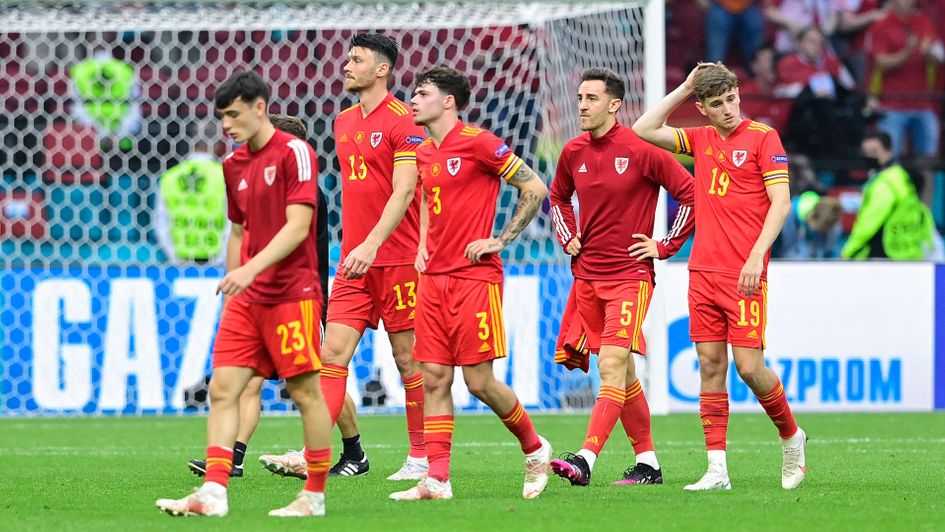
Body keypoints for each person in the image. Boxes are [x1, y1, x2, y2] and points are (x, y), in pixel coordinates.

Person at [155, 71, 332, 517]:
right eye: (222, 117)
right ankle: (213, 492)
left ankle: (313, 495)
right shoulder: (233, 164)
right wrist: (236, 282)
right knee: (223, 388)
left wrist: (250, 270)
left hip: (292, 293)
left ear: (259, 108)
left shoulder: (296, 153)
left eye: (234, 115)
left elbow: (298, 226)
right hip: (248, 299)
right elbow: (237, 231)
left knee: (305, 393)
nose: (227, 125)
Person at [260, 33, 429, 481]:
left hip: (397, 259)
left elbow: (404, 190)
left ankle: (420, 457)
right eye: (348, 58)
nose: (347, 65)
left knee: (408, 360)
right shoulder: (342, 121)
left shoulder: (404, 120)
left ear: (382, 70)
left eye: (357, 59)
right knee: (330, 355)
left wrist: (372, 244)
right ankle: (311, 453)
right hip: (355, 263)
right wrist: (359, 247)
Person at [632, 62, 808, 491]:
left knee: (749, 368)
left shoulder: (763, 138)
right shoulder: (700, 139)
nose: (728, 109)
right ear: (703, 108)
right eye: (716, 103)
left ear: (738, 95)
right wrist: (685, 87)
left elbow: (781, 203)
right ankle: (717, 470)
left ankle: (791, 436)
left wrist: (756, 256)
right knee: (710, 366)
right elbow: (643, 128)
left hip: (744, 273)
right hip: (703, 273)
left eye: (731, 99)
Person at [389, 66, 552, 501]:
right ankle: (437, 479)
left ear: (448, 101)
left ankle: (534, 448)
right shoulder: (424, 152)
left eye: (422, 93)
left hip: (474, 279)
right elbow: (428, 199)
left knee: (478, 382)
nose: (413, 100)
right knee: (434, 378)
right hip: (433, 280)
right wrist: (423, 244)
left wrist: (501, 239)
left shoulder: (480, 143)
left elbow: (535, 188)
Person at [547, 68, 695, 487]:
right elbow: (558, 197)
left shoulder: (641, 149)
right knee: (623, 372)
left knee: (611, 364)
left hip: (630, 277)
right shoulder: (573, 151)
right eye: (580, 97)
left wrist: (664, 245)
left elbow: (690, 193)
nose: (581, 105)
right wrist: (567, 235)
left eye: (591, 98)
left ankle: (585, 460)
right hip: (587, 278)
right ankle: (648, 464)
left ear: (614, 104)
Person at [184, 114, 334, 480]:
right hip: (261, 297)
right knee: (248, 383)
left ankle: (352, 448)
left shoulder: (305, 192)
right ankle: (232, 459)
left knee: (311, 387)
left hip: (299, 299)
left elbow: (292, 241)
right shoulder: (261, 185)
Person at [865, 0, 944, 157]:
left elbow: (939, 59)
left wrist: (930, 53)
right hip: (892, 103)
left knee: (929, 156)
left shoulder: (923, 22)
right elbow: (880, 62)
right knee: (890, 155)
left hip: (922, 101)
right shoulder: (882, 25)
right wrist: (907, 51)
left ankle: (926, 175)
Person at [841, 131, 939, 259]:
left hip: (887, 255)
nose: (870, 156)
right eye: (865, 152)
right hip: (909, 253)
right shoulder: (903, 176)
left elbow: (869, 222)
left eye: (874, 151)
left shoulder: (885, 183)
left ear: (889, 151)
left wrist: (847, 252)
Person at [155, 126, 227, 264]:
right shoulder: (225, 175)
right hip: (215, 259)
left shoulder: (169, 177)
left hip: (181, 258)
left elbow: (161, 222)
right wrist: (220, 260)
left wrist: (174, 257)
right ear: (218, 144)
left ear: (190, 141)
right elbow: (234, 223)